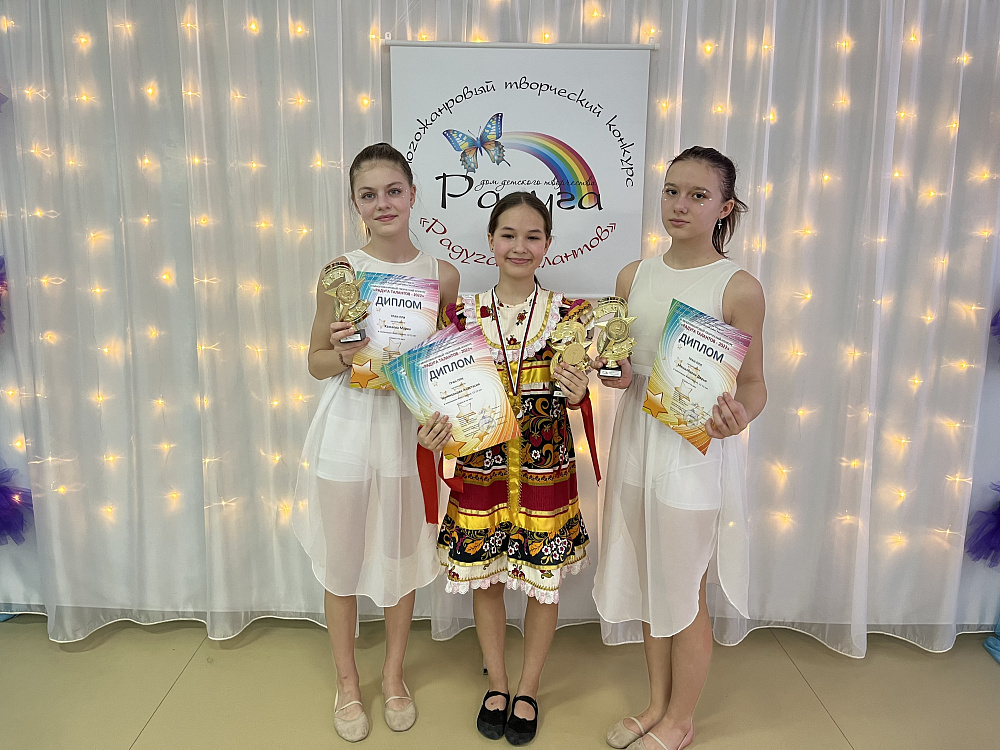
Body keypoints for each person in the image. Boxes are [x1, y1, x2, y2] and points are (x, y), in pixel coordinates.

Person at [592, 147, 767, 750]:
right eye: (672, 191)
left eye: (698, 195)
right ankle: (655, 704)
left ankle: (681, 719)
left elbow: (754, 384)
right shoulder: (633, 276)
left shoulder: (737, 286)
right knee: (651, 578)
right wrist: (615, 375)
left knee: (684, 584)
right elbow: (623, 366)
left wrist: (739, 417)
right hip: (638, 441)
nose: (680, 205)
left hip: (693, 453)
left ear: (726, 207)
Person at [292, 142, 460, 742]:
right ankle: (346, 682)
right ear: (355, 203)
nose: (382, 203)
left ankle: (392, 675)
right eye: (368, 194)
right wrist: (342, 352)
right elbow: (314, 362)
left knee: (399, 555)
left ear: (413, 195)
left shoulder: (442, 275)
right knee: (342, 560)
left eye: (393, 191)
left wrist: (445, 416)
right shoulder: (341, 272)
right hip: (348, 426)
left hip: (406, 432)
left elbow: (445, 363)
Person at [418, 191, 597, 746]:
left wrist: (578, 391)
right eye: (509, 235)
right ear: (491, 241)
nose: (520, 246)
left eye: (532, 236)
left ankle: (529, 687)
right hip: (480, 466)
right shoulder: (460, 315)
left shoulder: (572, 316)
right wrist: (432, 423)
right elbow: (439, 390)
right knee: (487, 576)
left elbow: (579, 391)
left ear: (548, 244)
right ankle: (496, 682)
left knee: (544, 583)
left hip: (546, 465)